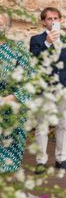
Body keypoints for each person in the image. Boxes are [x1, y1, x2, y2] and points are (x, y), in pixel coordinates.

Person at [29, 7, 66, 173]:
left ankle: (61, 159)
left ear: (60, 20)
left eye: (56, 18)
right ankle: (41, 161)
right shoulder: (36, 40)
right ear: (43, 21)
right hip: (44, 89)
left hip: (65, 89)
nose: (53, 21)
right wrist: (47, 43)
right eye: (49, 19)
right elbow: (35, 61)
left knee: (63, 125)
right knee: (42, 125)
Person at [0, 14, 32, 173]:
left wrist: (6, 100)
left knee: (9, 164)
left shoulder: (18, 49)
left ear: (7, 27)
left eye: (1, 24)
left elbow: (29, 82)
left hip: (12, 114)